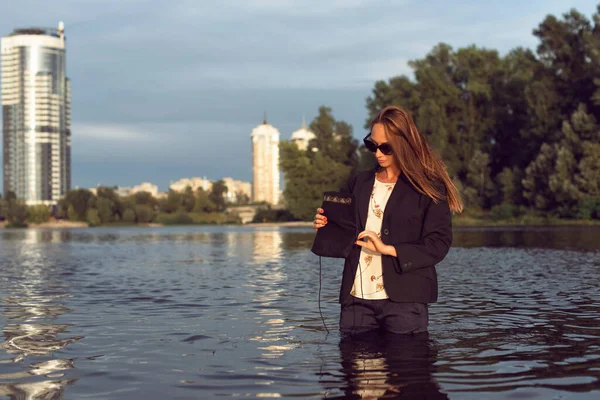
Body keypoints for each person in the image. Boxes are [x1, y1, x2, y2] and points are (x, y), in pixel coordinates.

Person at [313, 105, 463, 335]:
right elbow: (346, 231)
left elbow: (438, 245)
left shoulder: (428, 188)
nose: (378, 153)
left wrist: (389, 249)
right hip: (356, 300)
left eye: (386, 147)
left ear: (404, 144)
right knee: (354, 368)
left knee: (406, 368)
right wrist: (326, 226)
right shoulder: (359, 183)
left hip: (405, 300)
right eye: (372, 145)